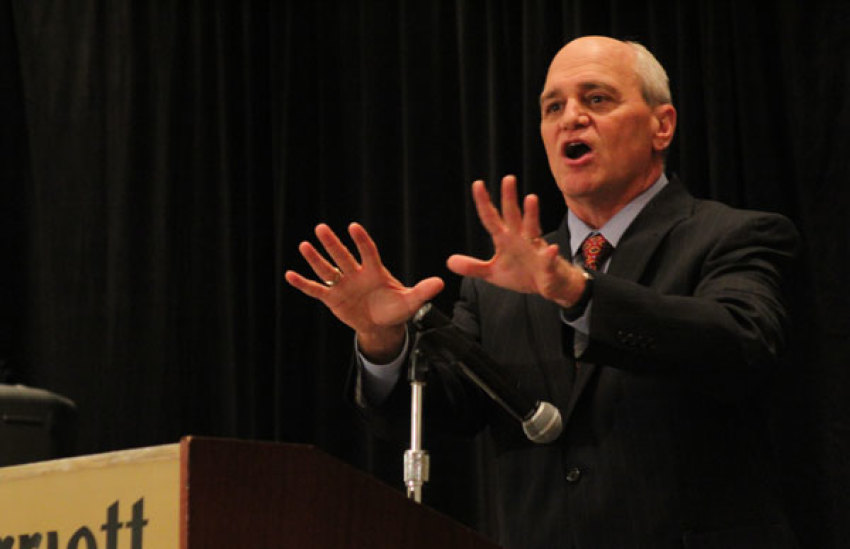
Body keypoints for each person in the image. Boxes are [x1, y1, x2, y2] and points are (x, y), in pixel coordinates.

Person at [285, 36, 799, 548]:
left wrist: (581, 294)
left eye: (597, 99)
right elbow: (443, 412)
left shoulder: (734, 236)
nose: (571, 118)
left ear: (661, 125)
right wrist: (381, 340)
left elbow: (742, 344)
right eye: (553, 107)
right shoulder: (502, 280)